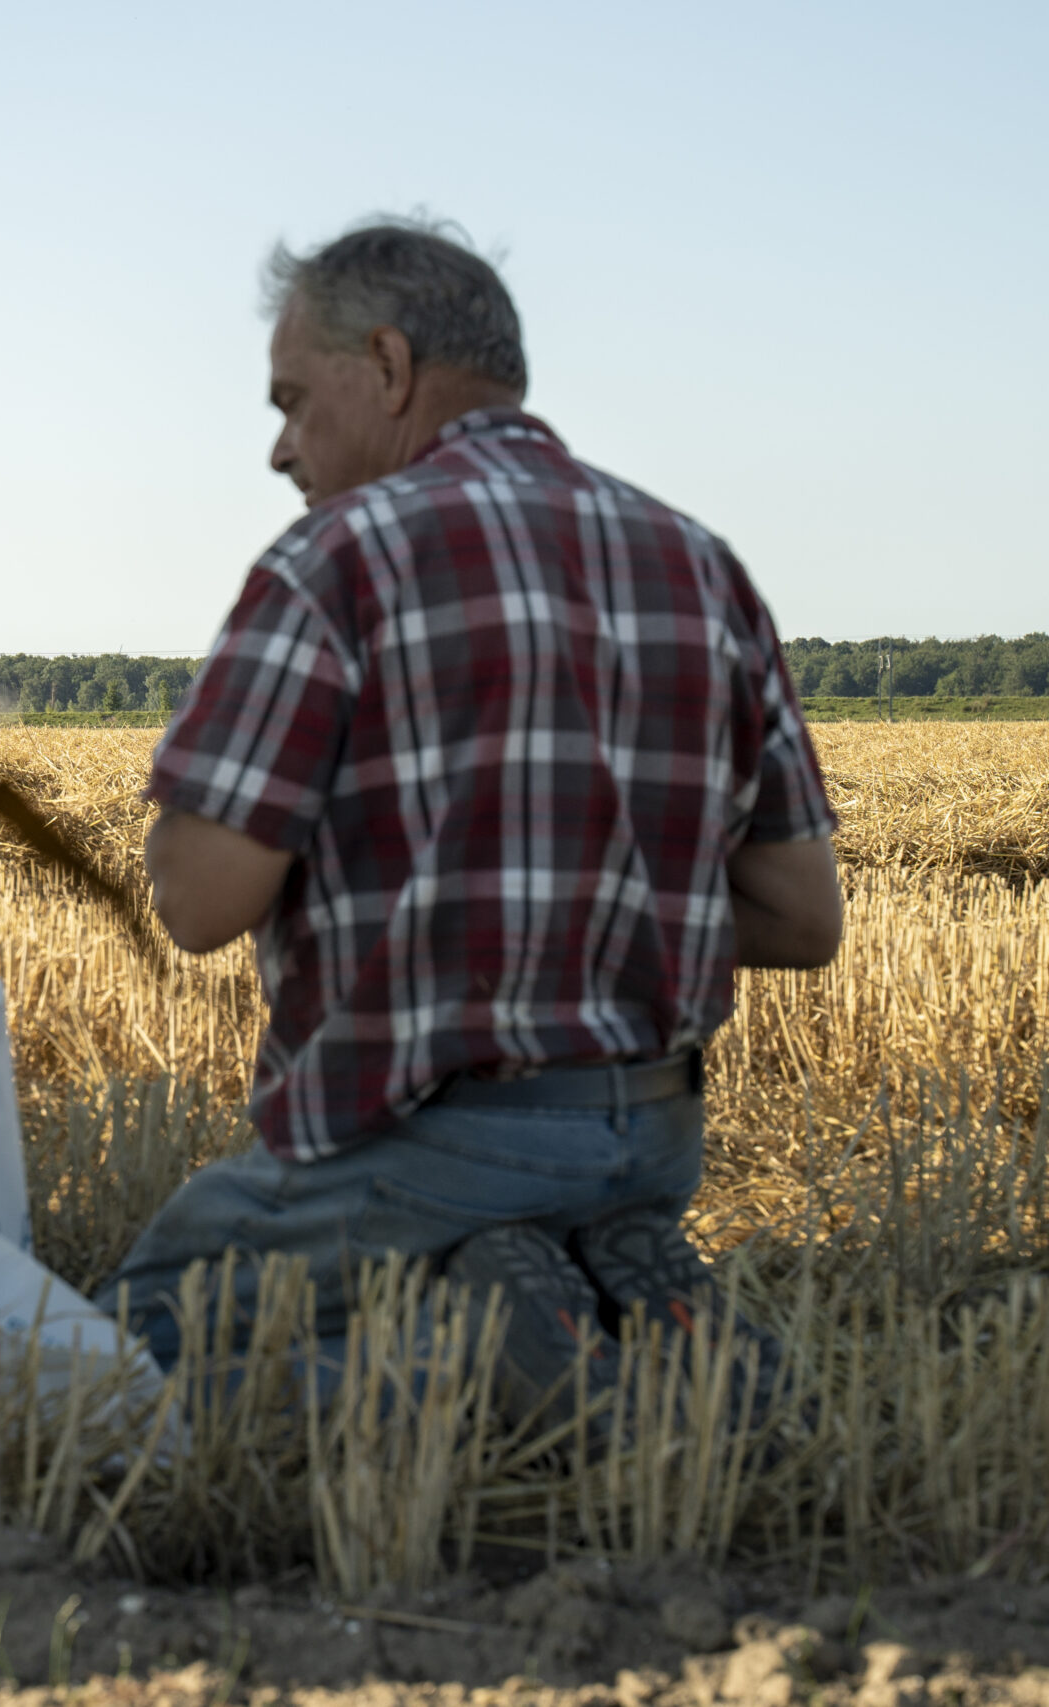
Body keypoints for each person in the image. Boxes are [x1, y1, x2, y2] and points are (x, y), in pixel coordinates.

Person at [96, 218, 841, 1418]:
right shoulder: (701, 564)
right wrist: (590, 892)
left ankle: (464, 1368)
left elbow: (196, 903)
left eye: (291, 400)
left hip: (432, 1142)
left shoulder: (337, 559)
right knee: (510, 1262)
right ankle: (621, 1323)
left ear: (388, 367)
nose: (281, 449)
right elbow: (803, 920)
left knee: (118, 1366)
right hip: (648, 1141)